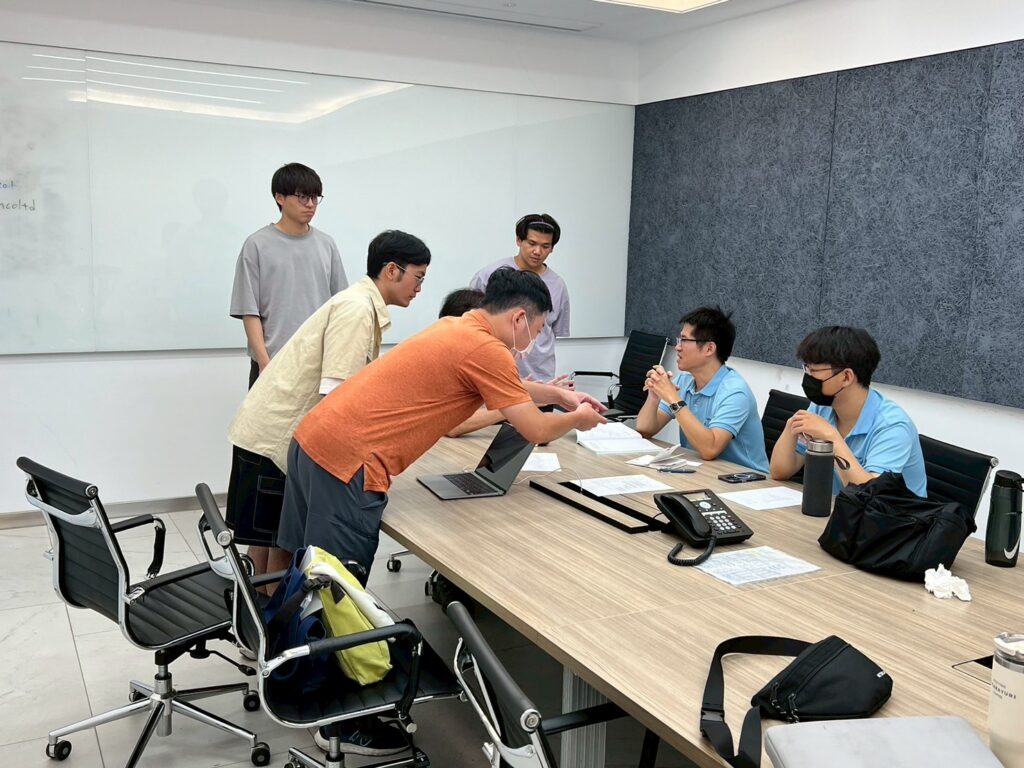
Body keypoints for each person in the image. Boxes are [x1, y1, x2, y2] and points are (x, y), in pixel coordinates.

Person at [276, 268, 604, 757]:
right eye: (537, 330)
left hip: (315, 442)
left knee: (314, 574)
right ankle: (338, 720)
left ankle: (302, 675)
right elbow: (534, 430)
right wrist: (577, 418)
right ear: (519, 318)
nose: (535, 341)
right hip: (348, 463)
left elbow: (510, 389)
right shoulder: (487, 348)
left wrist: (556, 394)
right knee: (339, 589)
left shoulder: (461, 327)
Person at [226, 231, 430, 580]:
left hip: (265, 433)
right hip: (276, 440)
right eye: (418, 278)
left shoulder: (358, 302)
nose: (419, 289)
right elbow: (336, 398)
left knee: (267, 542)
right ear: (392, 270)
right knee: (283, 547)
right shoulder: (357, 309)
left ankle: (256, 608)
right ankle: (272, 614)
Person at [769, 326, 927, 496]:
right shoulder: (821, 407)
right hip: (841, 508)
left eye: (813, 371)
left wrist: (832, 438)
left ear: (846, 377)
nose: (808, 377)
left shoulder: (892, 426)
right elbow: (779, 472)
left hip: (890, 512)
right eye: (806, 368)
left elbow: (869, 497)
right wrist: (791, 426)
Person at [230, 162, 346, 388]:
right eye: (302, 197)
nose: (310, 204)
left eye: (315, 198)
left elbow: (340, 306)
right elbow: (249, 311)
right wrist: (264, 362)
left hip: (318, 364)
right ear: (279, 197)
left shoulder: (326, 244)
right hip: (273, 362)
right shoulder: (257, 245)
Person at [635, 306, 769, 473]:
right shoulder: (685, 380)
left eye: (684, 340)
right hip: (705, 472)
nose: (677, 347)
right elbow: (645, 429)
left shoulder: (735, 392)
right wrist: (654, 396)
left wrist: (672, 397)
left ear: (709, 349)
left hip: (746, 479)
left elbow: (710, 449)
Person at [469, 213, 569, 381]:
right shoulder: (489, 275)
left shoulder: (558, 285)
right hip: (495, 372)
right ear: (518, 240)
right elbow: (471, 324)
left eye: (545, 246)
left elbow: (554, 332)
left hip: (540, 377)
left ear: (552, 248)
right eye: (532, 243)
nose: (537, 251)